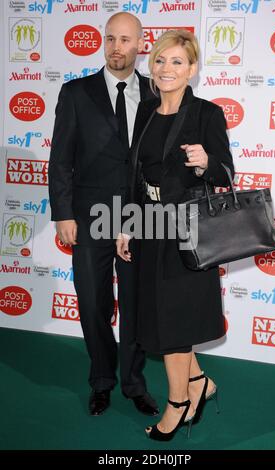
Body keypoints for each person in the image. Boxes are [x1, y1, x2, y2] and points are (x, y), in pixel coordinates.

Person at [117, 29, 234, 441]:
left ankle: (178, 404)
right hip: (151, 230)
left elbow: (226, 174)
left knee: (173, 327)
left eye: (178, 62)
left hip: (188, 233)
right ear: (154, 65)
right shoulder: (145, 112)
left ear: (193, 69)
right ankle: (200, 383)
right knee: (166, 319)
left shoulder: (206, 113)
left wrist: (207, 163)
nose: (168, 69)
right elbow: (136, 176)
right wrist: (128, 225)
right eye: (162, 60)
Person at [48, 13, 159, 417]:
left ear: (141, 44)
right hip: (88, 213)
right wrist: (62, 212)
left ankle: (133, 383)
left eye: (125, 39)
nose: (116, 47)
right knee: (92, 303)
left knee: (134, 304)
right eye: (110, 38)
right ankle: (101, 380)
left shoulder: (156, 91)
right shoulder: (76, 92)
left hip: (140, 217)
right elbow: (60, 158)